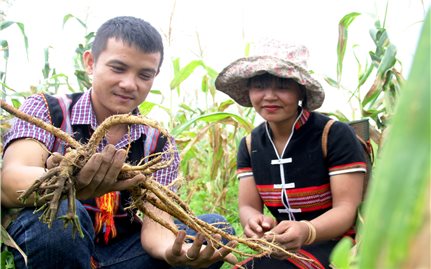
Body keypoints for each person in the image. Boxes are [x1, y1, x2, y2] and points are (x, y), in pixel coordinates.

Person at [1, 16, 236, 269]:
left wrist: (173, 252)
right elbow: (10, 181)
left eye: (144, 75)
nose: (129, 84)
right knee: (61, 215)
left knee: (214, 229)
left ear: (155, 76)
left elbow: (157, 230)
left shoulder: (158, 143)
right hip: (58, 243)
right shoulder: (48, 110)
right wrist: (67, 184)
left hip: (123, 257)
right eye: (118, 68)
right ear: (90, 63)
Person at [214, 39, 366, 269]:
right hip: (281, 245)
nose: (269, 96)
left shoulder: (332, 134)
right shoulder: (249, 144)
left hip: (337, 244)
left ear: (301, 90)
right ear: (249, 91)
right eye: (260, 85)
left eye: (283, 85)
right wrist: (255, 222)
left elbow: (346, 209)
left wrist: (307, 230)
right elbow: (247, 207)